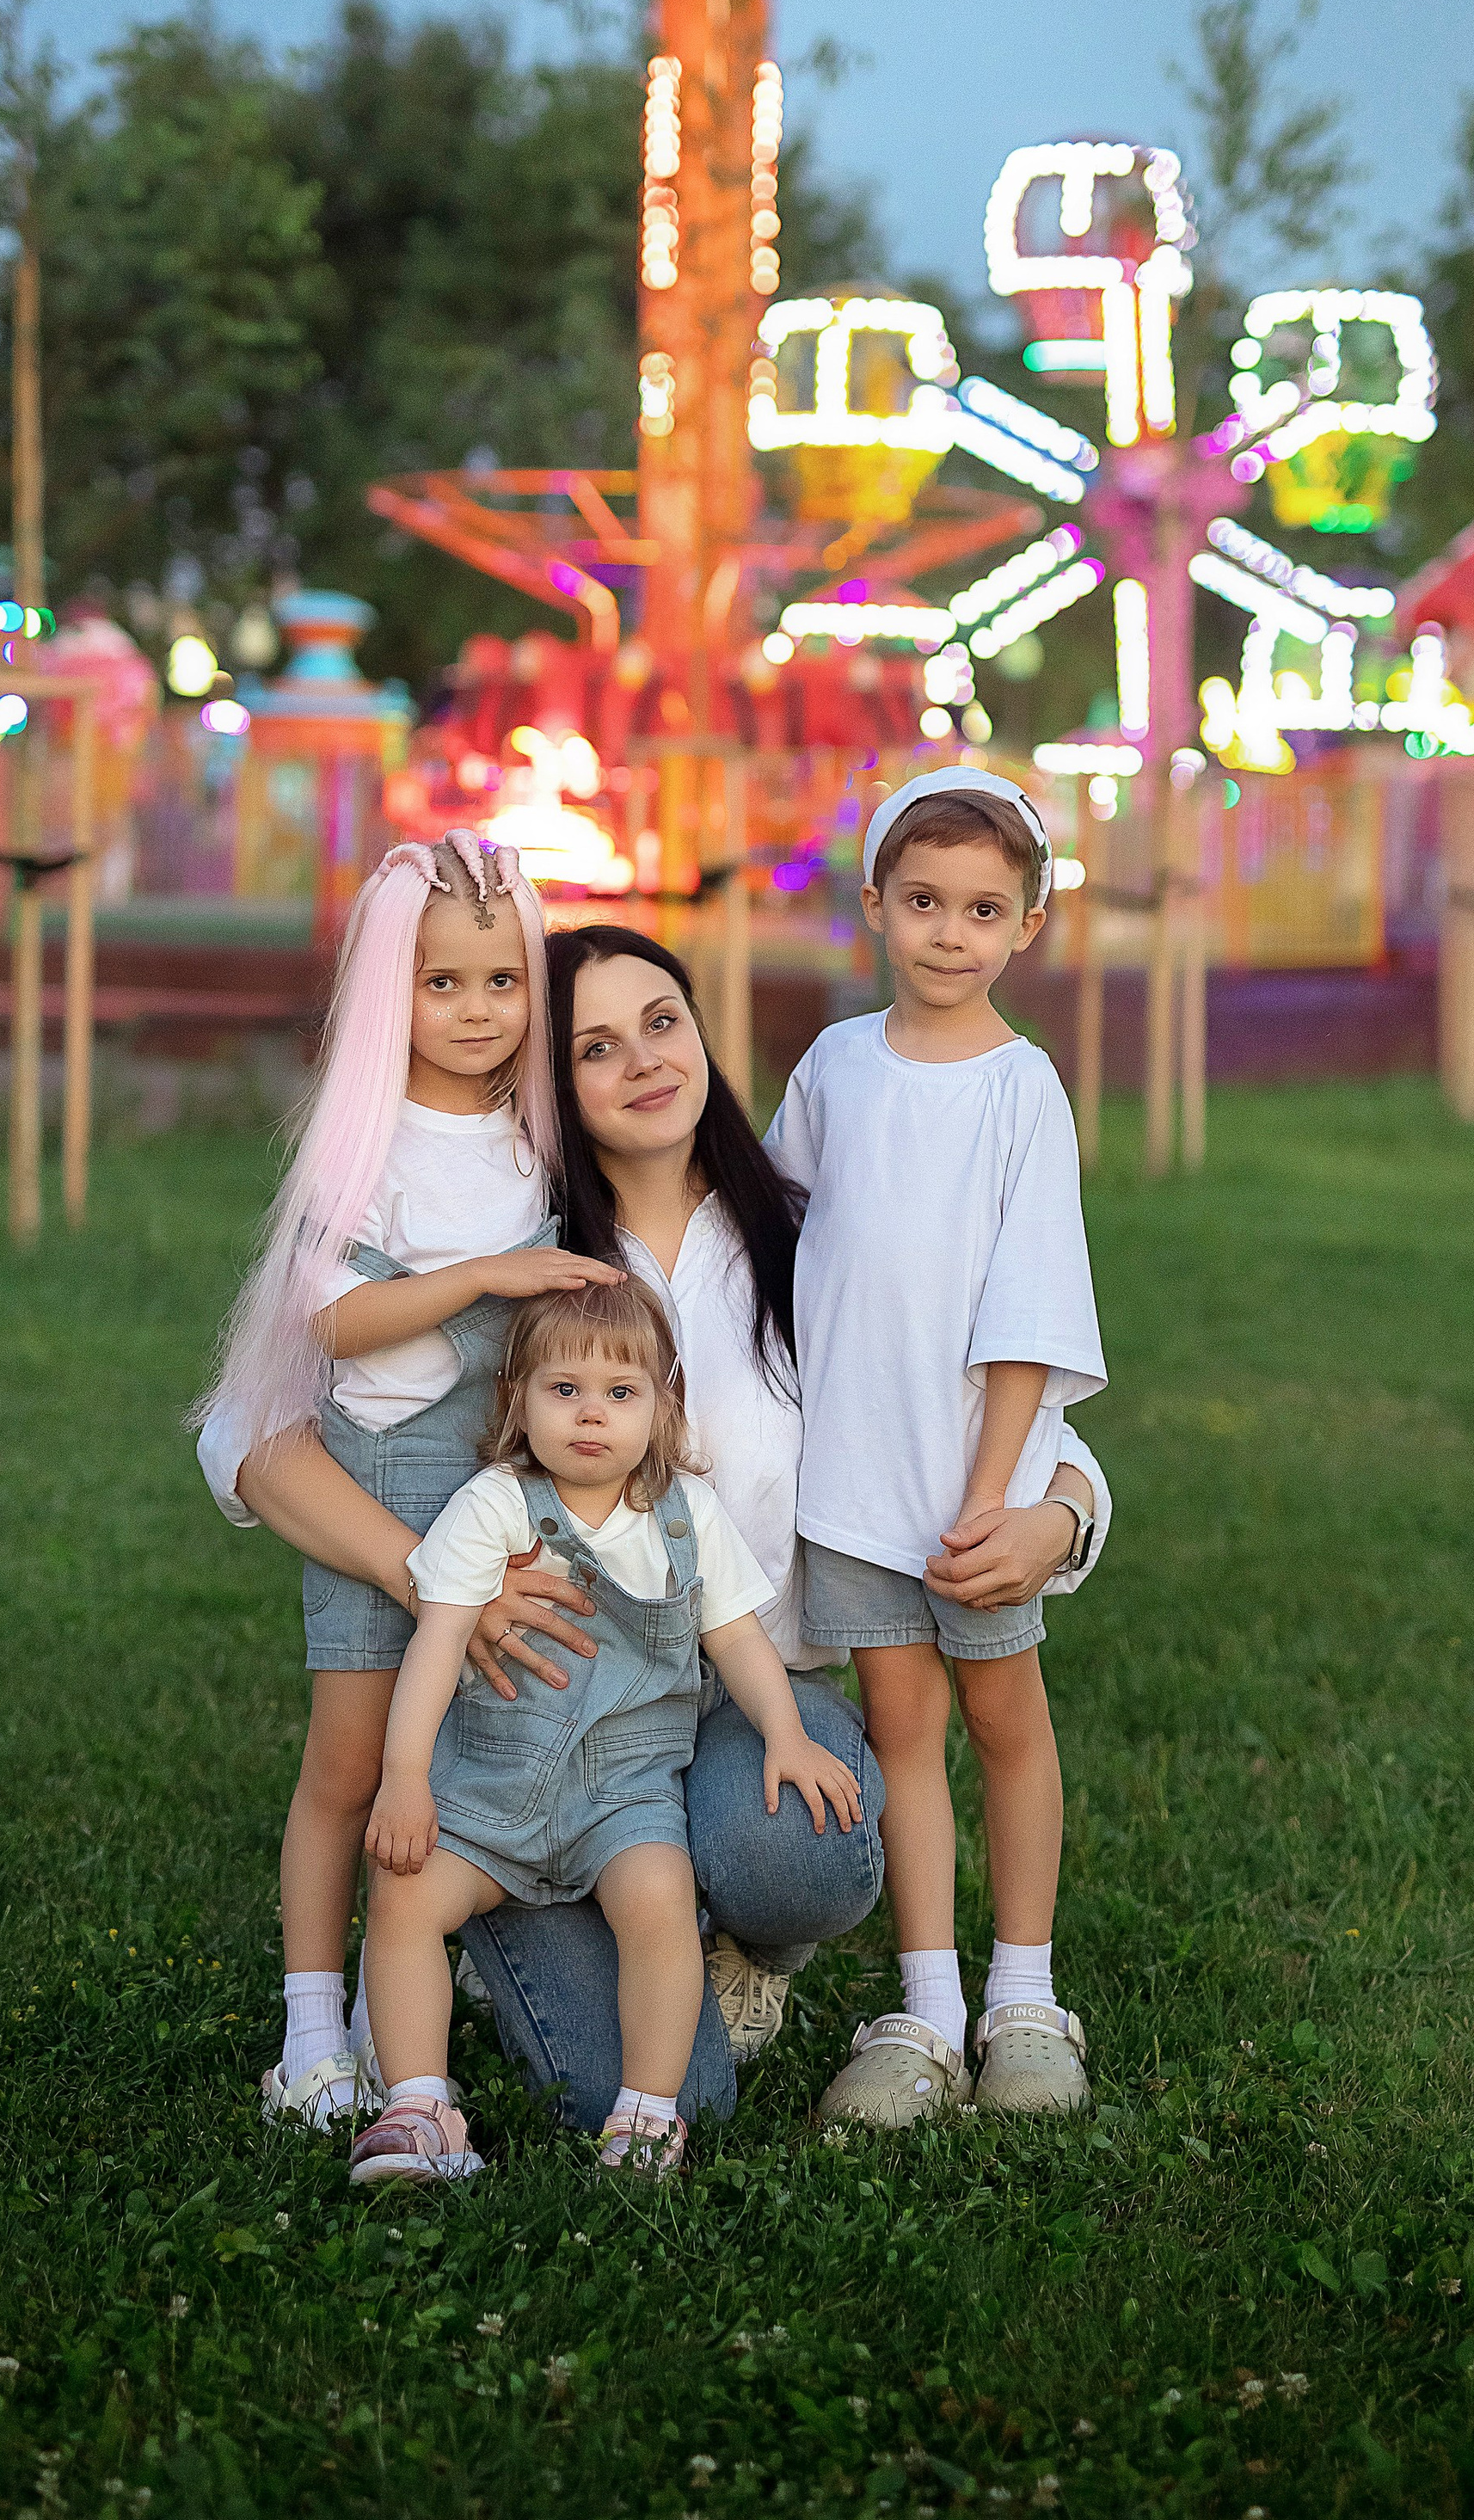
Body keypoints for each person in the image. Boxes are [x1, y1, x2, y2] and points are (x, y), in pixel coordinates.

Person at [192, 831, 619, 2130]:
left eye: (503, 983)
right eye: (444, 985)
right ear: (394, 993)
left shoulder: (538, 1143)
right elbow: (327, 1323)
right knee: (353, 1761)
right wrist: (484, 1280)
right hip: (388, 1481)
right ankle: (311, 2027)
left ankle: (403, 1998)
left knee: (473, 1749)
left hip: (509, 1482)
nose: (480, 1012)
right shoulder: (364, 1143)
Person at [454, 922, 895, 2127]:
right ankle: (520, 1905)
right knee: (675, 2099)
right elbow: (261, 1437)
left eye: (662, 1022)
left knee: (789, 1854)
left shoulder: (808, 1243)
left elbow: (973, 1422)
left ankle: (749, 1944)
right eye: (595, 1047)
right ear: (555, 1085)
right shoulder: (518, 1262)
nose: (645, 1060)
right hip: (565, 1717)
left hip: (762, 1686)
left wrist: (1067, 1511)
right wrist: (430, 1581)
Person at [768, 768, 1112, 2126]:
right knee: (902, 1735)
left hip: (982, 1484)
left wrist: (994, 1497)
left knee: (1006, 1726)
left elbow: (1029, 1305)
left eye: (984, 908)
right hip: (854, 1490)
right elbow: (777, 1242)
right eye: (924, 902)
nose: (952, 933)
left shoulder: (1024, 1090)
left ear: (1027, 923)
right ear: (874, 907)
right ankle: (925, 2007)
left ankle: (1024, 1995)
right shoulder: (835, 1068)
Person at [349, 1278, 861, 2185]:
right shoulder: (496, 1504)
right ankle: (418, 2107)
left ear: (663, 1407)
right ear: (517, 1400)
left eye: (620, 1394)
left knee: (657, 1900)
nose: (591, 1415)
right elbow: (435, 1645)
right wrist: (404, 1777)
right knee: (402, 1900)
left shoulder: (682, 1514)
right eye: (564, 1390)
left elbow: (736, 1636)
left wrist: (783, 1731)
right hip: (492, 1790)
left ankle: (646, 2115)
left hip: (623, 1795)